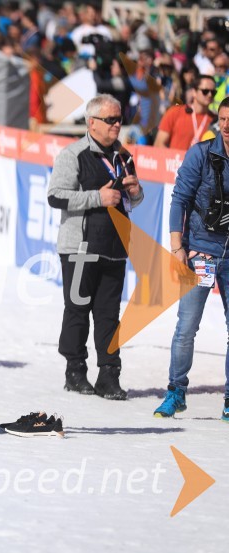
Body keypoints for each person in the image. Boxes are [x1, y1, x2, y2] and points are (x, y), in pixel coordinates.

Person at [47, 94, 144, 400]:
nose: (117, 125)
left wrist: (136, 192)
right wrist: (96, 198)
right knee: (77, 310)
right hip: (80, 248)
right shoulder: (73, 154)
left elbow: (133, 202)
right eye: (110, 120)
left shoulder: (124, 156)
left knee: (109, 316)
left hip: (115, 247)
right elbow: (55, 196)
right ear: (92, 122)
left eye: (119, 119)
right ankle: (75, 371)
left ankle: (109, 375)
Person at [154, 96, 229, 423]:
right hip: (201, 250)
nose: (227, 125)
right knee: (186, 327)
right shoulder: (201, 153)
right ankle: (176, 392)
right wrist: (177, 245)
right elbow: (179, 200)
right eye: (223, 119)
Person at [154, 76, 218, 150]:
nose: (210, 95)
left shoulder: (216, 121)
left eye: (213, 92)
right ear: (194, 92)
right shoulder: (175, 112)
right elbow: (158, 144)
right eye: (205, 91)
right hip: (175, 160)